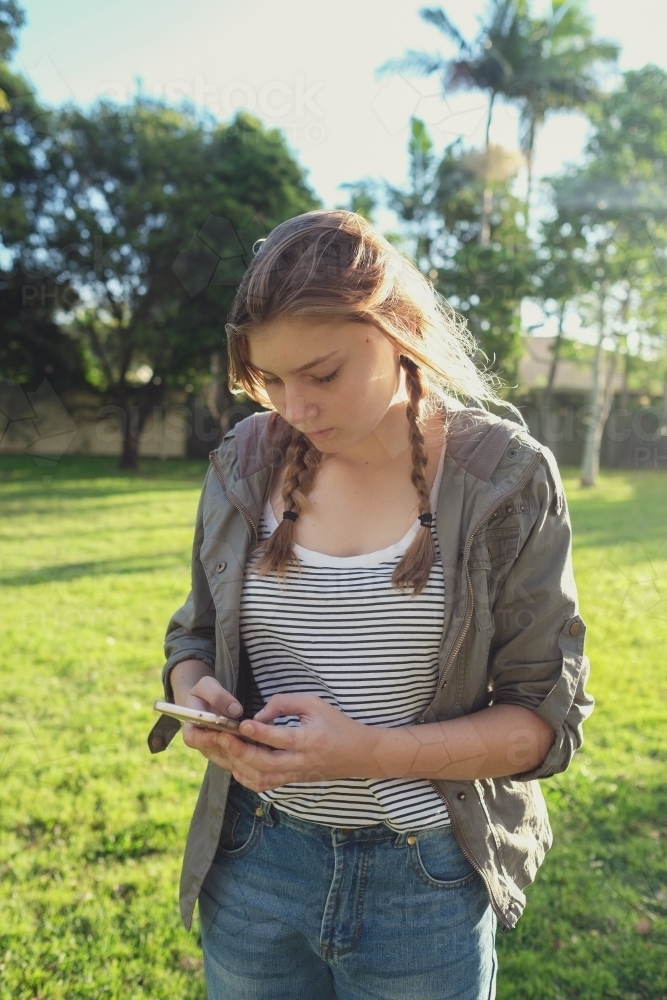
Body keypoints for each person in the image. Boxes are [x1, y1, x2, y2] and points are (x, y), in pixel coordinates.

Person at [148, 210, 593, 1000]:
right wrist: (196, 695)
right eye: (269, 380)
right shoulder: (243, 463)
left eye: (322, 375)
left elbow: (538, 724)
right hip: (252, 861)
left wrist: (362, 753)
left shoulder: (505, 479)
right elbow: (195, 634)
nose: (295, 408)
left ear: (400, 329)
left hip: (421, 879)